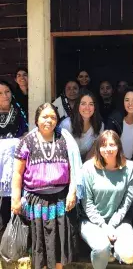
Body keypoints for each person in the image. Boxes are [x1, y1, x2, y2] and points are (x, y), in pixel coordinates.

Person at [11, 103, 84, 269]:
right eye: (45, 116)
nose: (49, 120)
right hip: (36, 202)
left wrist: (72, 191)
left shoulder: (64, 139)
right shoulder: (26, 142)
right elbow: (17, 173)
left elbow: (74, 168)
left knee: (58, 245)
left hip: (60, 200)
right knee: (41, 245)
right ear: (37, 120)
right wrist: (15, 200)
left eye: (53, 117)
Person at [80, 130, 133, 267]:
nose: (108, 149)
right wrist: (104, 227)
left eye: (112, 145)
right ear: (98, 148)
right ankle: (105, 251)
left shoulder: (131, 168)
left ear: (119, 146)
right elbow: (87, 203)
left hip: (118, 221)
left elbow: (126, 202)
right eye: (104, 145)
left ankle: (112, 251)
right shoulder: (88, 168)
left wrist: (111, 225)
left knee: (130, 254)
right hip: (92, 221)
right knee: (101, 248)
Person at [107, 88, 133, 238]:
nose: (130, 103)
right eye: (127, 100)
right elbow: (109, 143)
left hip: (132, 167)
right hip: (115, 165)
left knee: (131, 201)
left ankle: (129, 234)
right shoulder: (115, 119)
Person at [0, 80, 28, 239]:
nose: (5, 96)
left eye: (7, 92)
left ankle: (9, 238)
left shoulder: (19, 112)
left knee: (10, 200)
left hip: (13, 166)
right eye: (0, 93)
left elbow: (25, 133)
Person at [60, 91, 104, 161]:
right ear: (78, 106)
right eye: (83, 104)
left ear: (95, 107)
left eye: (91, 104)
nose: (87, 108)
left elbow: (93, 151)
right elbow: (61, 151)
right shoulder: (66, 125)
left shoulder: (99, 125)